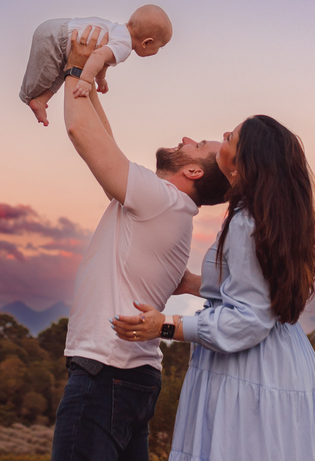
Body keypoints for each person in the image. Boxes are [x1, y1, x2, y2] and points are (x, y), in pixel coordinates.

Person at [110, 115, 315, 461]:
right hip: (281, 360)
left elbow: (249, 319)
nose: (225, 135)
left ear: (247, 161)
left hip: (250, 368)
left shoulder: (247, 224)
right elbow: (256, 291)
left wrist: (166, 325)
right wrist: (192, 284)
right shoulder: (266, 219)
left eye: (233, 137)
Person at [52, 26, 231, 461]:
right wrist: (89, 83)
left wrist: (75, 66)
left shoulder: (162, 202)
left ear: (193, 173)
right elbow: (105, 143)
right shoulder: (170, 213)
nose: (187, 138)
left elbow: (81, 133)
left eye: (198, 145)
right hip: (134, 378)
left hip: (104, 373)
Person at [20, 5, 173, 126]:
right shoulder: (124, 46)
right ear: (147, 42)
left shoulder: (118, 32)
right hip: (55, 37)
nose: (158, 51)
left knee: (62, 72)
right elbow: (97, 56)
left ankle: (40, 101)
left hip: (60, 34)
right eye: (160, 47)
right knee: (43, 77)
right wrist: (86, 81)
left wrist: (100, 79)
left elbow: (102, 59)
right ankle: (28, 96)